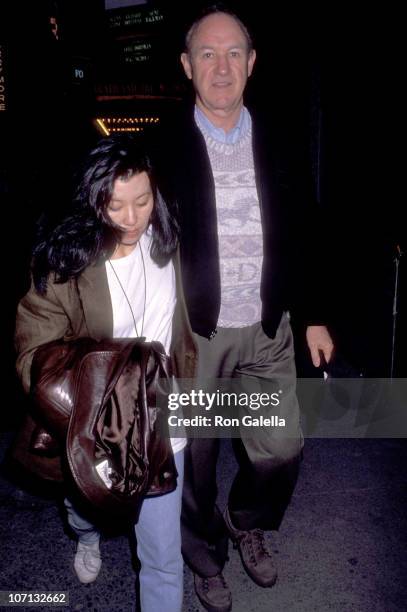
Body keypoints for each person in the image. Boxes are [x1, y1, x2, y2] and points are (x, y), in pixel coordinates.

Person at [153, 4, 334, 611]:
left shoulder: (280, 135)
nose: (222, 66)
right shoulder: (161, 145)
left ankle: (247, 519)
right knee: (194, 462)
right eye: (207, 53)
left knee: (281, 445)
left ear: (253, 64)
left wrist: (312, 313)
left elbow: (305, 228)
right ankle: (204, 555)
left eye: (234, 53)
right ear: (187, 65)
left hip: (267, 327)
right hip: (195, 334)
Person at [14, 134, 196, 612]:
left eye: (143, 201)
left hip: (160, 420)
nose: (132, 219)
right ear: (93, 200)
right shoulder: (66, 261)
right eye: (115, 205)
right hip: (95, 421)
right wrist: (81, 405)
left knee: (161, 556)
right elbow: (32, 345)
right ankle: (87, 537)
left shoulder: (170, 241)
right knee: (83, 509)